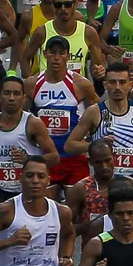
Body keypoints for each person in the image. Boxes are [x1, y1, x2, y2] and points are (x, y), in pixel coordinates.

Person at [24, 36, 101, 196]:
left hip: (74, 158)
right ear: (45, 54)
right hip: (46, 158)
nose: (56, 57)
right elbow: (22, 118)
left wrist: (90, 139)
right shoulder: (32, 84)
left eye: (61, 53)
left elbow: (99, 114)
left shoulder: (80, 84)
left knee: (79, 209)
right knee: (45, 208)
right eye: (52, 53)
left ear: (68, 56)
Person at [65, 63, 133, 187]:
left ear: (130, 85)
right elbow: (69, 146)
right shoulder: (94, 112)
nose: (117, 87)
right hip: (106, 185)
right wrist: (96, 145)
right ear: (105, 85)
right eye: (112, 82)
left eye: (122, 82)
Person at [0, 76, 59, 207]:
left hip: (28, 190)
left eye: (17, 94)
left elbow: (54, 157)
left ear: (23, 98)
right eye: (7, 93)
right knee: (0, 219)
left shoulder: (33, 124)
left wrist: (28, 159)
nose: (11, 98)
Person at [22, 0, 106, 80]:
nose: (63, 8)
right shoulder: (42, 32)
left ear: (76, 5)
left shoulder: (88, 33)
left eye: (67, 4)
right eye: (58, 5)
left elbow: (98, 65)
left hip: (76, 91)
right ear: (54, 6)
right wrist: (31, 83)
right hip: (49, 91)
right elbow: (25, 58)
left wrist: (98, 72)